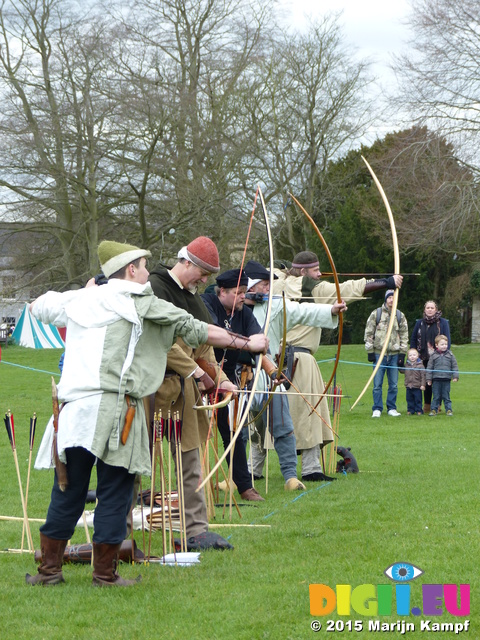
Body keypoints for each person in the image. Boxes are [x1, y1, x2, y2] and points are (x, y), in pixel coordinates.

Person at [27, 240, 268, 586]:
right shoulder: (140, 301)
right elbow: (196, 329)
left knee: (68, 490)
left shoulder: (80, 300)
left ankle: (49, 572)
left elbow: (39, 305)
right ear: (129, 270)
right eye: (142, 266)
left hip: (73, 415)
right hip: (115, 413)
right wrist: (247, 343)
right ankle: (105, 576)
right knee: (114, 491)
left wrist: (86, 291)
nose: (146, 272)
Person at [148, 237, 268, 549]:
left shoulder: (194, 298)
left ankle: (196, 530)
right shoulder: (155, 287)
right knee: (137, 461)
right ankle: (118, 530)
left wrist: (220, 377)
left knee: (190, 460)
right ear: (185, 261)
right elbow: (161, 344)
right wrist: (197, 372)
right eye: (201, 271)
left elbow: (203, 345)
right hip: (148, 386)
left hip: (183, 389)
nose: (205, 280)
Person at [273, 252, 403, 481]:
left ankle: (253, 470)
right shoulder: (313, 289)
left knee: (273, 413)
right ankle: (311, 470)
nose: (319, 274)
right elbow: (348, 289)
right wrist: (387, 282)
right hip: (300, 361)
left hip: (273, 360)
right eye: (315, 270)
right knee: (309, 415)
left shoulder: (277, 284)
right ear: (303, 271)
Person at [243, 260, 347, 489]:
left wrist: (330, 309)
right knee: (251, 427)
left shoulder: (275, 305)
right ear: (249, 286)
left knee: (281, 424)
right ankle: (248, 472)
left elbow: (301, 310)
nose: (268, 289)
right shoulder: (234, 306)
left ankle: (290, 475)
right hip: (242, 374)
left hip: (268, 371)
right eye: (263, 285)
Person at [202, 268, 278, 502]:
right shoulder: (207, 302)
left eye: (245, 292)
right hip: (201, 375)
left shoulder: (243, 312)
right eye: (238, 292)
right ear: (222, 291)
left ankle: (244, 486)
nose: (243, 296)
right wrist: (248, 343)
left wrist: (260, 347)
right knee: (198, 435)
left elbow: (260, 340)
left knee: (234, 433)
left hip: (227, 380)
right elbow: (214, 333)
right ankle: (196, 488)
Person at [364, 289, 409, 418]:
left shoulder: (400, 315)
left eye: (393, 297)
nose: (391, 300)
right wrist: (370, 351)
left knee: (393, 384)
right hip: (379, 354)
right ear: (385, 299)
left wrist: (402, 353)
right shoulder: (376, 314)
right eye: (389, 297)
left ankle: (391, 408)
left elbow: (404, 335)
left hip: (394, 354)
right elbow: (368, 333)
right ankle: (377, 408)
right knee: (377, 384)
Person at [410, 300, 451, 413]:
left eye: (432, 308)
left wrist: (445, 355)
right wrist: (413, 354)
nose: (430, 310)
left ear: (436, 309)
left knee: (438, 382)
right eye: (428, 307)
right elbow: (413, 339)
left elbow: (447, 340)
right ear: (424, 309)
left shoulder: (443, 323)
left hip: (439, 358)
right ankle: (427, 405)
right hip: (423, 358)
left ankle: (437, 405)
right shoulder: (419, 323)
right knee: (426, 382)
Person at [426, 334, 459, 416]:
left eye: (446, 344)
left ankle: (449, 410)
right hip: (436, 379)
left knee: (446, 396)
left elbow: (454, 366)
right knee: (436, 396)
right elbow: (429, 368)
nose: (444, 346)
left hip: (446, 379)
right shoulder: (433, 356)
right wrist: (429, 379)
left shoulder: (450, 355)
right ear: (436, 345)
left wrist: (455, 376)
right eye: (442, 344)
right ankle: (434, 410)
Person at [400, 348, 426, 415]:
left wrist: (423, 385)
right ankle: (410, 410)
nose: (412, 357)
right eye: (410, 355)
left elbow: (423, 376)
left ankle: (419, 410)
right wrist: (399, 364)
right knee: (409, 399)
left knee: (418, 399)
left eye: (414, 355)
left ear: (417, 356)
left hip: (417, 386)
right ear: (408, 357)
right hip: (409, 386)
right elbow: (401, 371)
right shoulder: (406, 365)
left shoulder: (420, 365)